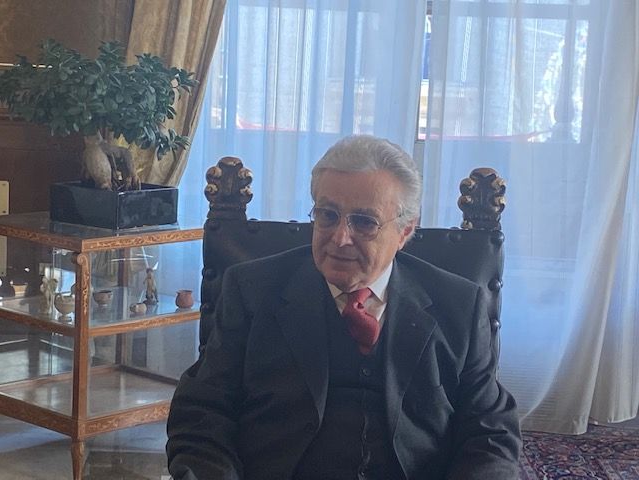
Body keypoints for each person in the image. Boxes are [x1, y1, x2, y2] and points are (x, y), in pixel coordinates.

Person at [166, 135, 521, 480]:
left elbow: (490, 432)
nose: (340, 238)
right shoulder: (252, 291)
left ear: (405, 231)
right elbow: (202, 414)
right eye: (328, 215)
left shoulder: (458, 305)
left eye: (364, 222)